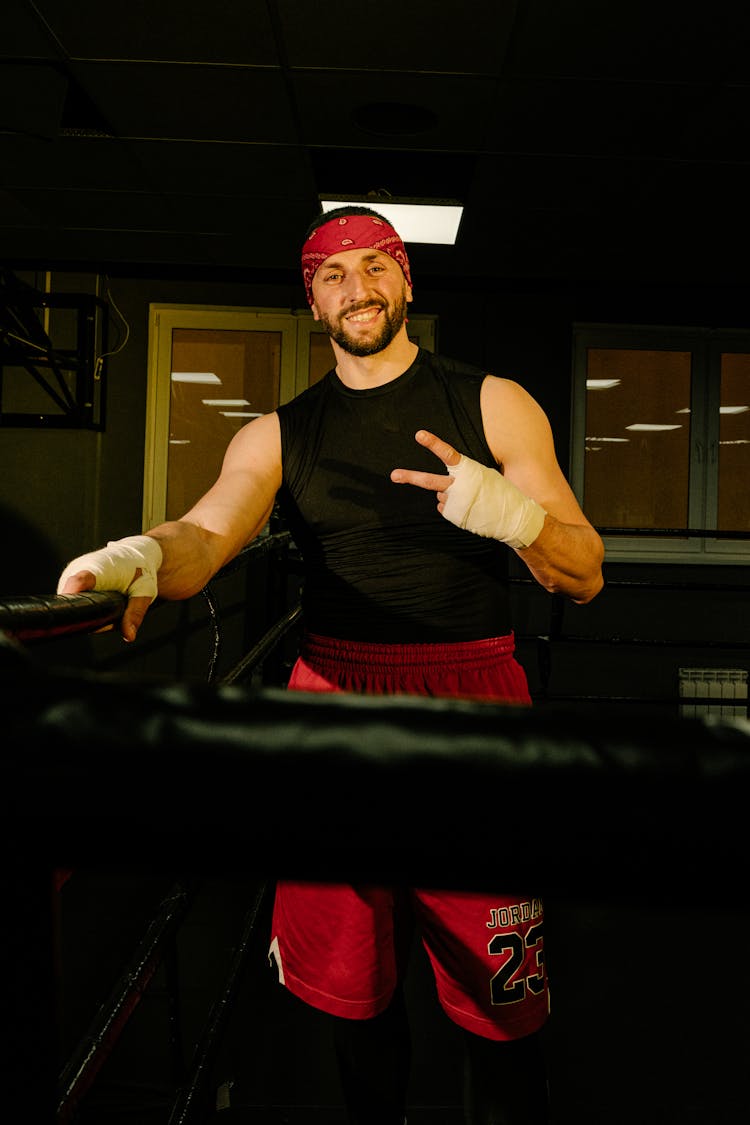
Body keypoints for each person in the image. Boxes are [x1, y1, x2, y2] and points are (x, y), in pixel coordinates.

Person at [58, 206, 605, 1124]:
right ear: (311, 299)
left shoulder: (493, 401)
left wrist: (510, 515)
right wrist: (140, 555)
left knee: (501, 994)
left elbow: (583, 573)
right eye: (334, 272)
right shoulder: (277, 434)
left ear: (407, 281)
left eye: (376, 264)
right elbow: (209, 530)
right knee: (353, 986)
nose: (358, 286)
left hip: (473, 700)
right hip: (334, 702)